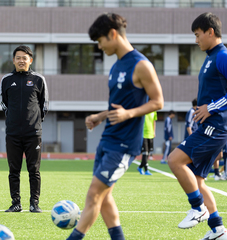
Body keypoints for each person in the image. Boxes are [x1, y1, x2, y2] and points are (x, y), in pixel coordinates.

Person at [66, 13, 164, 240]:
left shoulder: (141, 65)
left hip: (124, 144)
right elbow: (118, 106)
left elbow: (157, 101)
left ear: (112, 34)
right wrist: (101, 116)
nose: (99, 47)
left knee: (94, 195)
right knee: (104, 196)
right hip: (107, 139)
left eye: (100, 41)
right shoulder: (115, 67)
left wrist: (128, 114)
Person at [167, 12, 227, 240]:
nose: (196, 40)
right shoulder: (211, 57)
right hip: (209, 127)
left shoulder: (223, 56)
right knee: (198, 181)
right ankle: (219, 230)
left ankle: (198, 208)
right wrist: (202, 109)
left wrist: (211, 108)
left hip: (214, 129)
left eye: (197, 34)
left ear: (210, 32)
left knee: (174, 160)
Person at [0, 45, 49, 213]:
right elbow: (4, 103)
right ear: (13, 60)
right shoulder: (6, 80)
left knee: (34, 170)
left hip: (33, 133)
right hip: (12, 133)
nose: (21, 60)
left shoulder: (38, 79)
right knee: (14, 170)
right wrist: (14, 120)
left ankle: (34, 203)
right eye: (18, 58)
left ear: (31, 60)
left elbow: (44, 105)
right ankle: (16, 203)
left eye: (25, 58)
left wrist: (34, 123)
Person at [137, 111, 157, 175]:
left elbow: (154, 122)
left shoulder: (154, 112)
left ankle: (140, 167)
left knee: (148, 153)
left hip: (151, 135)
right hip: (143, 135)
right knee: (145, 153)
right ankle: (146, 170)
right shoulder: (144, 109)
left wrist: (154, 132)